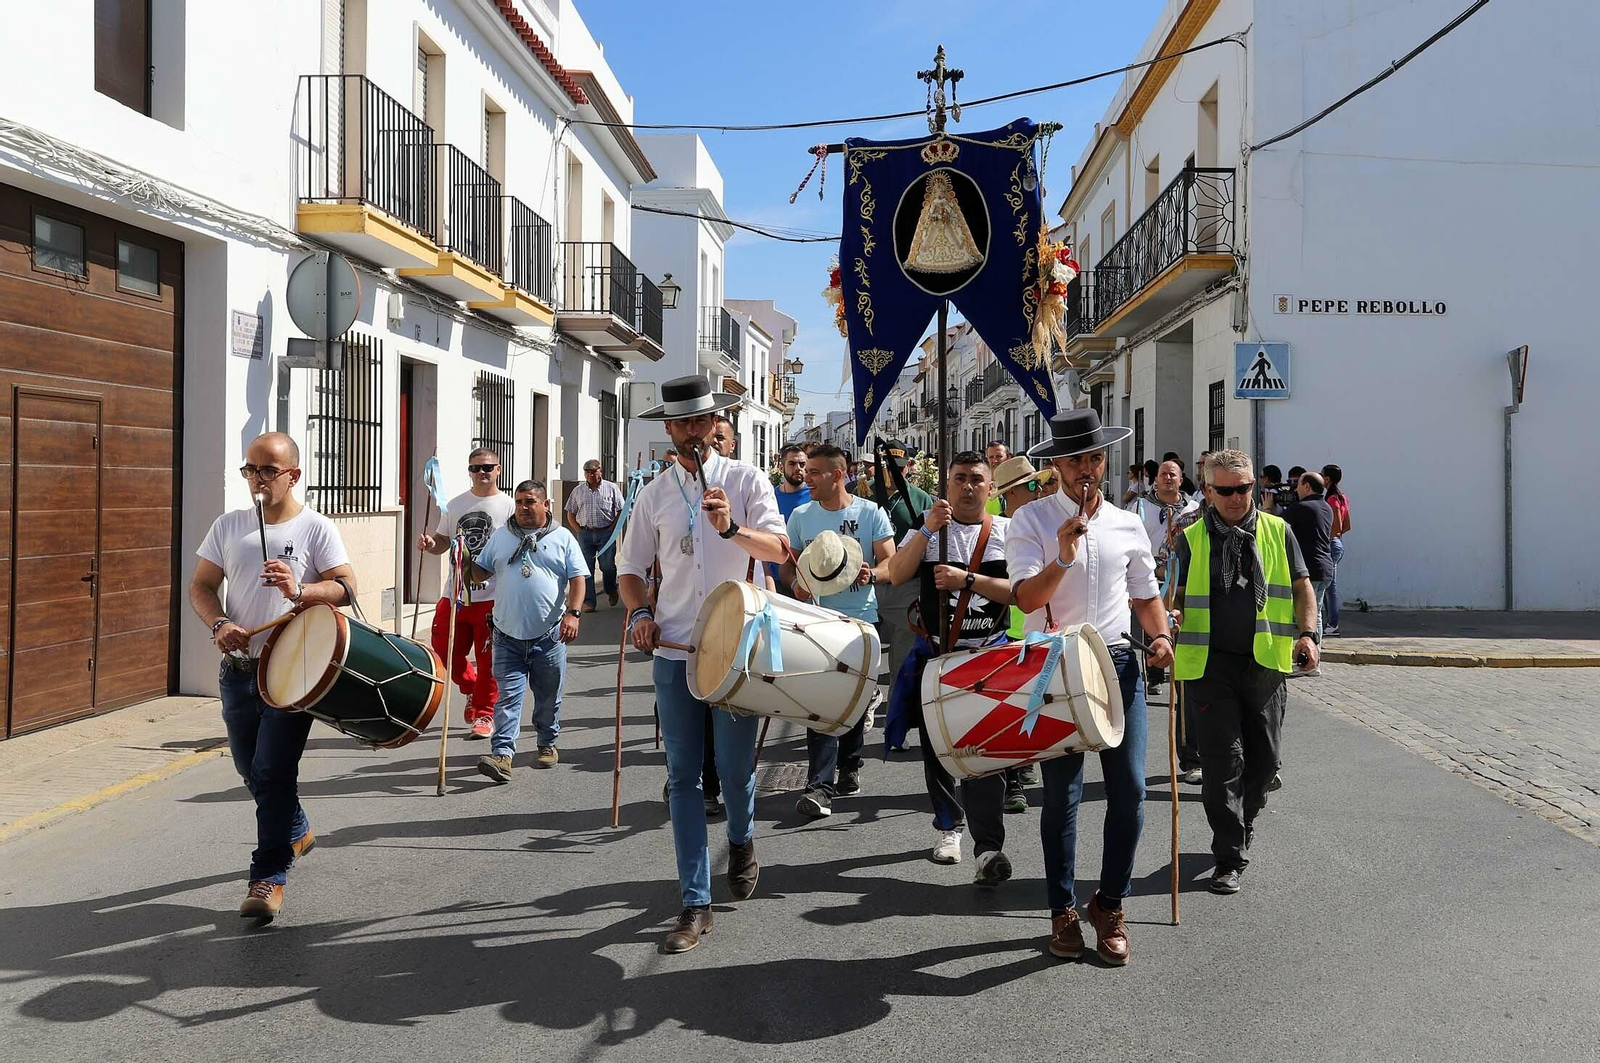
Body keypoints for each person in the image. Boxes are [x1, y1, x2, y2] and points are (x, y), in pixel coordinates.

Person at [617, 376, 789, 955]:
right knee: (682, 780)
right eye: (683, 422)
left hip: (735, 652)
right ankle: (695, 901)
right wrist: (640, 612)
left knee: (736, 774)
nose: (694, 431)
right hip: (674, 653)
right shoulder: (654, 494)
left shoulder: (745, 480)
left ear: (716, 426)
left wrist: (732, 528)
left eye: (703, 421)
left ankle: (741, 841)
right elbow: (630, 568)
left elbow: (779, 551)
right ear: (668, 428)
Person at [1009, 410, 1173, 966]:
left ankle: (1110, 902)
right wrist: (1062, 555)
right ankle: (1061, 908)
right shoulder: (1029, 520)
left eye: (1095, 457)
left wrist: (1162, 636)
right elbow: (1028, 600)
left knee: (1129, 789)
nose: (1088, 468)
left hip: (1118, 662)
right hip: (1055, 668)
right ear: (1056, 463)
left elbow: (1145, 594)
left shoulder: (1128, 523)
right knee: (1062, 795)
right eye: (1076, 458)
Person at [189, 432, 357, 921]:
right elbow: (200, 586)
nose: (257, 480)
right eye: (250, 470)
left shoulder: (316, 528)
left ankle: (268, 877)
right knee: (250, 770)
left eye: (268, 471)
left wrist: (301, 588)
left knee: (272, 771)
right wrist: (219, 624)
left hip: (293, 672)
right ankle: (296, 826)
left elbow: (347, 588)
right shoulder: (229, 526)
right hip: (238, 672)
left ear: (293, 475)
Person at [1171, 449, 1319, 895]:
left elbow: (1301, 586)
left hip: (1266, 661)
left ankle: (1244, 821)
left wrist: (1309, 634)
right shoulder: (1191, 537)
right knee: (1222, 764)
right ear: (1208, 491)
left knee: (1265, 762)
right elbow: (1173, 594)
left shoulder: (1279, 531)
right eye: (1226, 491)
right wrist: (1168, 621)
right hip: (1209, 664)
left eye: (1245, 488)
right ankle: (1228, 856)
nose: (1237, 498)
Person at [884, 453, 1014, 880]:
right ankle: (949, 828)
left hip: (988, 655)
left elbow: (1020, 591)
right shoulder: (928, 527)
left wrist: (968, 582)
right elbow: (899, 572)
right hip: (938, 654)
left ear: (991, 488)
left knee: (986, 754)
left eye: (978, 479)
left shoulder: (1007, 533)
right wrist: (925, 531)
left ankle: (989, 848)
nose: (968, 487)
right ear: (947, 485)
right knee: (939, 749)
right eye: (959, 478)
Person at [782, 444, 894, 817]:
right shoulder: (800, 516)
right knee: (822, 702)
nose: (806, 477)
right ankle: (819, 787)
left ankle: (850, 765)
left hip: (861, 621)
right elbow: (789, 569)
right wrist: (798, 584)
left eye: (815, 472)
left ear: (838, 475)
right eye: (806, 471)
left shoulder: (871, 513)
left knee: (855, 699)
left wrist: (871, 574)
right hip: (815, 621)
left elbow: (891, 565)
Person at [469, 481, 585, 781]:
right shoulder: (502, 536)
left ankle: (547, 743)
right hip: (506, 635)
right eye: (519, 501)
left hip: (549, 636)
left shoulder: (562, 538)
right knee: (508, 698)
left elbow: (578, 579)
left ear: (545, 504)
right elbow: (480, 571)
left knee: (547, 698)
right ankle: (502, 755)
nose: (523, 507)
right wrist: (463, 557)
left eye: (530, 501)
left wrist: (573, 614)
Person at [418, 448, 515, 739]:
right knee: (446, 652)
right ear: (469, 471)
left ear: (498, 469)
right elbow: (443, 541)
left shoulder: (508, 506)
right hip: (456, 595)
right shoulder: (455, 504)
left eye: (487, 467)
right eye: (475, 468)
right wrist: (429, 543)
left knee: (489, 661)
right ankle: (470, 687)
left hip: (493, 597)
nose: (481, 473)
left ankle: (485, 714)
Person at [991, 455, 1059, 812]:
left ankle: (1027, 764)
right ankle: (1013, 780)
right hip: (1009, 631)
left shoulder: (1049, 523)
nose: (1040, 491)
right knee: (1013, 709)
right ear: (1009, 495)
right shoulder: (999, 531)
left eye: (1041, 484)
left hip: (1043, 631)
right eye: (1032, 486)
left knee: (1040, 707)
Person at [1130, 459, 1200, 702]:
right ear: (1156, 480)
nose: (1168, 478)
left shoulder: (1193, 509)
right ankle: (1155, 673)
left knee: (1180, 620)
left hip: (1182, 574)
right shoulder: (1140, 507)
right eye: (1164, 475)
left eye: (1173, 475)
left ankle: (1181, 672)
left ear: (1181, 480)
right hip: (1150, 574)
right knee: (1154, 624)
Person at [869, 437, 934, 684]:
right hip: (870, 581)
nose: (894, 472)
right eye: (888, 466)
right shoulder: (864, 492)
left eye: (900, 466)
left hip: (906, 586)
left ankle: (898, 712)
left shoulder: (921, 499)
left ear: (908, 467)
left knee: (902, 657)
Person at [1282, 470, 1335, 669]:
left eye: (1298, 484)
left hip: (1309, 568)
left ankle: (1309, 659)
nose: (1295, 489)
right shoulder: (1326, 507)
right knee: (1316, 613)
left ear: (1307, 487)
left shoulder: (1302, 507)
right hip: (1324, 567)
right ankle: (1315, 659)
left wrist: (1269, 507)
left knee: (1305, 614)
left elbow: (1278, 524)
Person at [564, 459, 624, 613]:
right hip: (585, 533)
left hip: (606, 533)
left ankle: (611, 589)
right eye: (587, 472)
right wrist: (578, 530)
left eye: (593, 471)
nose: (590, 474)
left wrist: (612, 527)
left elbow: (622, 510)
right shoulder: (578, 491)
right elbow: (570, 512)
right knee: (586, 569)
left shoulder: (611, 488)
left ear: (600, 471)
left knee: (607, 566)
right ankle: (590, 601)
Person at [767, 444, 811, 590]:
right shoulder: (770, 498)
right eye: (792, 463)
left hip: (807, 578)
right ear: (781, 468)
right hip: (775, 578)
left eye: (802, 464)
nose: (798, 468)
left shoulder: (816, 497)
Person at [1321, 464, 1349, 635]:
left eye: (1321, 474)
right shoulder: (1342, 497)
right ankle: (1331, 622)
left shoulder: (1331, 499)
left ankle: (1333, 623)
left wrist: (1329, 537)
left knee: (1329, 586)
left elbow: (1337, 524)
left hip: (1330, 543)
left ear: (1327, 479)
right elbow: (1347, 525)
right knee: (1329, 585)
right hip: (1337, 542)